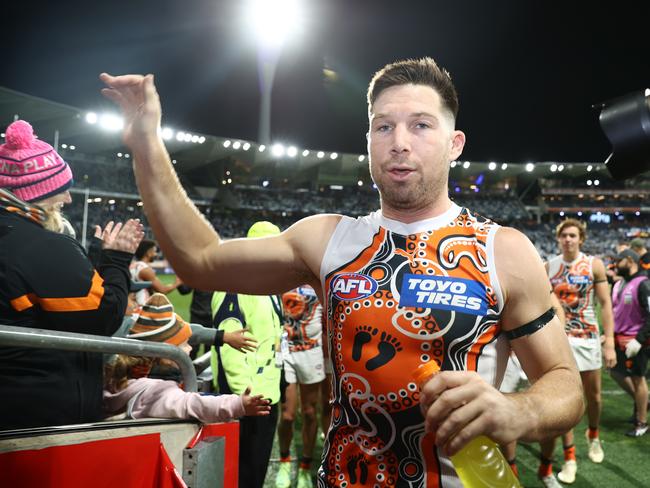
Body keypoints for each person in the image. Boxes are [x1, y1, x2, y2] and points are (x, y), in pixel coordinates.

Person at [100, 58, 583, 488]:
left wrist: (520, 410)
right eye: (383, 127)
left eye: (421, 126)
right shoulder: (328, 240)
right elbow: (199, 260)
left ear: (455, 143)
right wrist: (147, 142)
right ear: (369, 140)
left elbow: (563, 382)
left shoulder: (503, 251)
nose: (399, 143)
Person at [0, 119, 144, 430]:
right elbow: (103, 317)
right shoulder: (40, 246)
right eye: (61, 190)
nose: (67, 199)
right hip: (35, 414)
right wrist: (116, 260)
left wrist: (91, 259)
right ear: (36, 192)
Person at [103, 293, 270, 421]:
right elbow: (191, 404)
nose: (191, 347)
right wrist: (238, 405)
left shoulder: (122, 379)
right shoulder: (156, 391)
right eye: (184, 344)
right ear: (165, 354)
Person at [209, 220, 284, 488]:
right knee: (243, 474)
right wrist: (244, 398)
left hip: (266, 394)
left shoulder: (269, 286)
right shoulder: (235, 286)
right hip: (248, 399)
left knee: (256, 471)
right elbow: (230, 345)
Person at [545, 218, 616, 484]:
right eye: (564, 236)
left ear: (581, 239)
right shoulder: (549, 267)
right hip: (560, 341)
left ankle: (593, 435)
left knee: (594, 397)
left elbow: (606, 304)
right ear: (558, 239)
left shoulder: (593, 264)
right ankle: (569, 456)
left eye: (573, 235)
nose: (568, 240)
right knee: (567, 400)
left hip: (588, 337)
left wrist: (609, 341)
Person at [275, 285, 326, 488]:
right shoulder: (283, 275)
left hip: (312, 352)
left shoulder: (316, 276)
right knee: (287, 415)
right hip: (285, 352)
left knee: (309, 413)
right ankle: (285, 462)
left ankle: (305, 466)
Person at [610, 249, 650, 437]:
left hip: (637, 341)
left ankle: (641, 422)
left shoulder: (644, 284)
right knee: (615, 372)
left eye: (619, 260)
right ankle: (643, 402)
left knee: (638, 378)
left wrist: (639, 340)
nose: (616, 264)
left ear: (629, 260)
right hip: (619, 338)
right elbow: (614, 312)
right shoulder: (619, 284)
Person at [130, 239, 182, 305]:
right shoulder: (145, 269)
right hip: (142, 307)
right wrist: (177, 283)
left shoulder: (132, 265)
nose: (156, 254)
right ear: (148, 253)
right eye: (154, 251)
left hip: (132, 306)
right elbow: (162, 290)